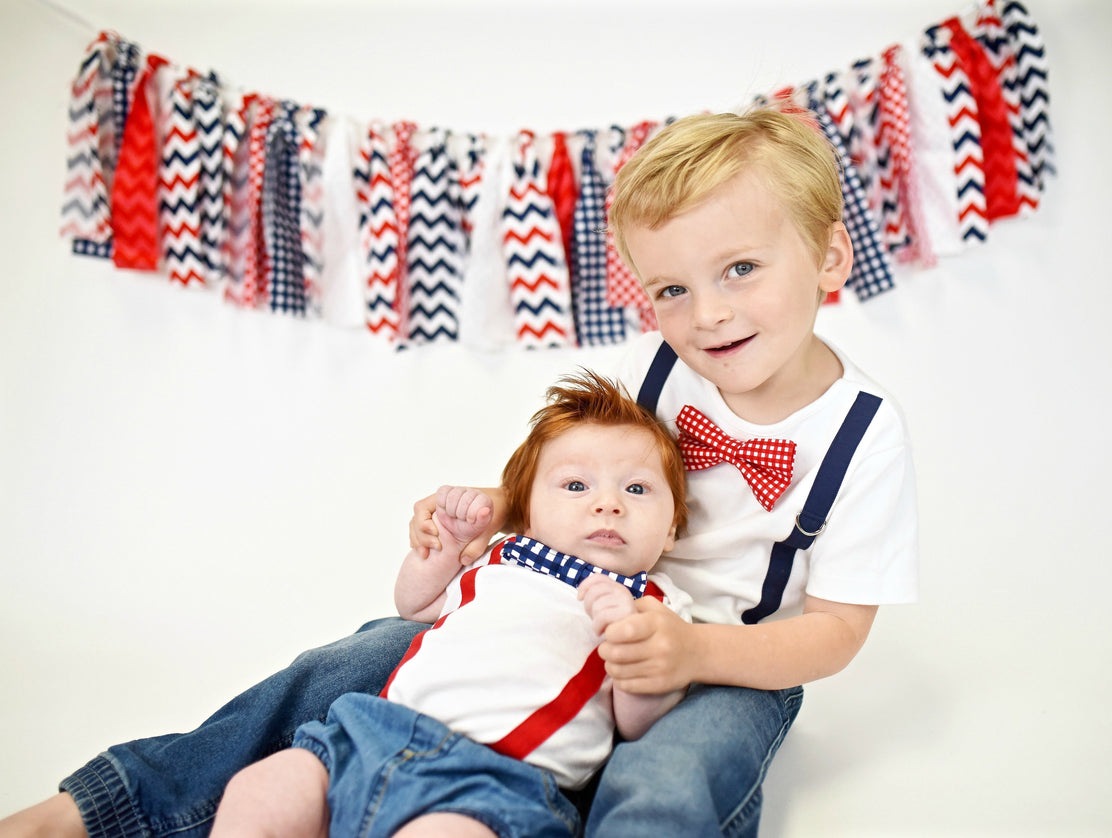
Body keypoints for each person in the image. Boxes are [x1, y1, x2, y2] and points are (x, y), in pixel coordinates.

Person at [1, 107, 917, 838]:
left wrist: (693, 653)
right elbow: (586, 470)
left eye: (742, 269)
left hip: (723, 658)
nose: (706, 314)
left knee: (668, 775)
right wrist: (493, 512)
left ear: (830, 256)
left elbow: (835, 631)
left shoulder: (864, 433)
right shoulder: (661, 369)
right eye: (673, 289)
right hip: (560, 601)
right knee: (348, 664)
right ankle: (118, 807)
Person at [208, 370, 690, 838]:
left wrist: (628, 642)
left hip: (495, 781)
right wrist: (442, 551)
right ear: (525, 514)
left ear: (671, 529)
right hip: (370, 734)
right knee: (262, 788)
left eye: (637, 488)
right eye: (576, 486)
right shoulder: (504, 559)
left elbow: (638, 723)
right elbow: (416, 606)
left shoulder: (654, 606)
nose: (608, 504)